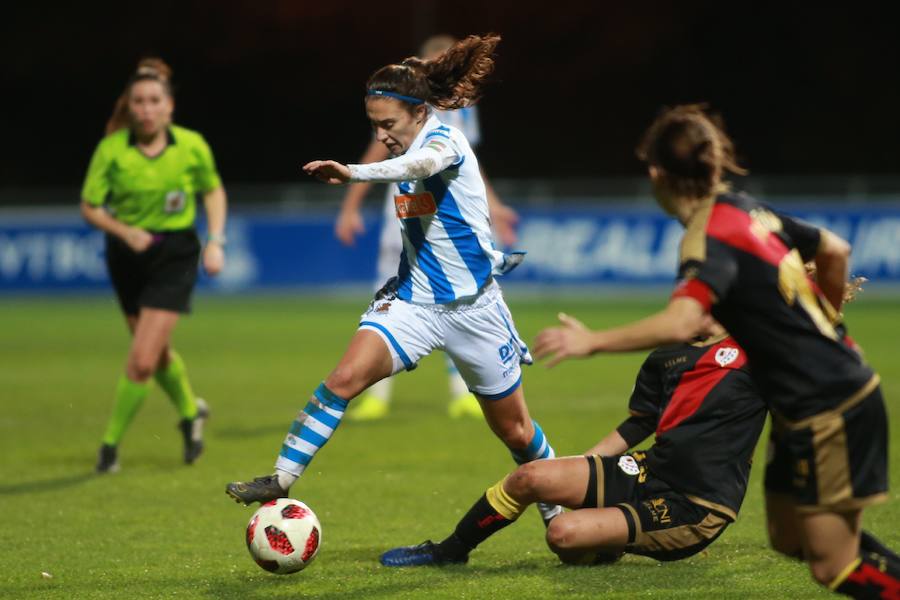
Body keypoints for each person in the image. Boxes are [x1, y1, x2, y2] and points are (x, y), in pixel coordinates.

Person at [530, 105, 897, 598]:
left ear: (657, 173)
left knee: (833, 564)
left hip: (826, 403)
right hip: (814, 400)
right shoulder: (746, 209)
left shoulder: (706, 232)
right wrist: (828, 323)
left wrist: (593, 341)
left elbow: (683, 320)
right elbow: (834, 250)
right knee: (789, 538)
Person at [225, 34, 562, 526]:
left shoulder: (442, 141)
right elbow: (402, 165)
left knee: (515, 431)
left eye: (388, 124)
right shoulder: (403, 144)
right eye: (373, 125)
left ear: (419, 112)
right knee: (342, 380)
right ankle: (280, 478)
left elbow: (417, 165)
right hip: (414, 305)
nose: (381, 134)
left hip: (475, 311)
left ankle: (558, 508)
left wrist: (356, 173)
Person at [379, 325, 768, 566]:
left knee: (562, 536)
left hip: (696, 504)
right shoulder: (668, 355)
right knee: (530, 477)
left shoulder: (759, 352)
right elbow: (640, 422)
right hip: (651, 471)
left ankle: (613, 539)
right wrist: (581, 469)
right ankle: (449, 551)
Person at [335, 33, 519, 422]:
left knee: (454, 295)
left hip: (447, 212)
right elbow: (379, 150)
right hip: (403, 211)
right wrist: (350, 204)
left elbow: (467, 161)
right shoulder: (399, 101)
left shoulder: (461, 110)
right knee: (390, 295)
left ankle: (461, 391)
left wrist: (495, 206)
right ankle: (377, 393)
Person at [80, 58, 227, 473]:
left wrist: (216, 241)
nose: (146, 108)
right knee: (156, 351)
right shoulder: (112, 149)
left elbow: (213, 192)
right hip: (126, 256)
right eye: (139, 101)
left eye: (154, 100)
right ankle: (189, 412)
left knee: (142, 360)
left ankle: (108, 447)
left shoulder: (191, 145)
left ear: (169, 106)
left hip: (175, 254)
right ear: (129, 106)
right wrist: (124, 231)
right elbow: (90, 206)